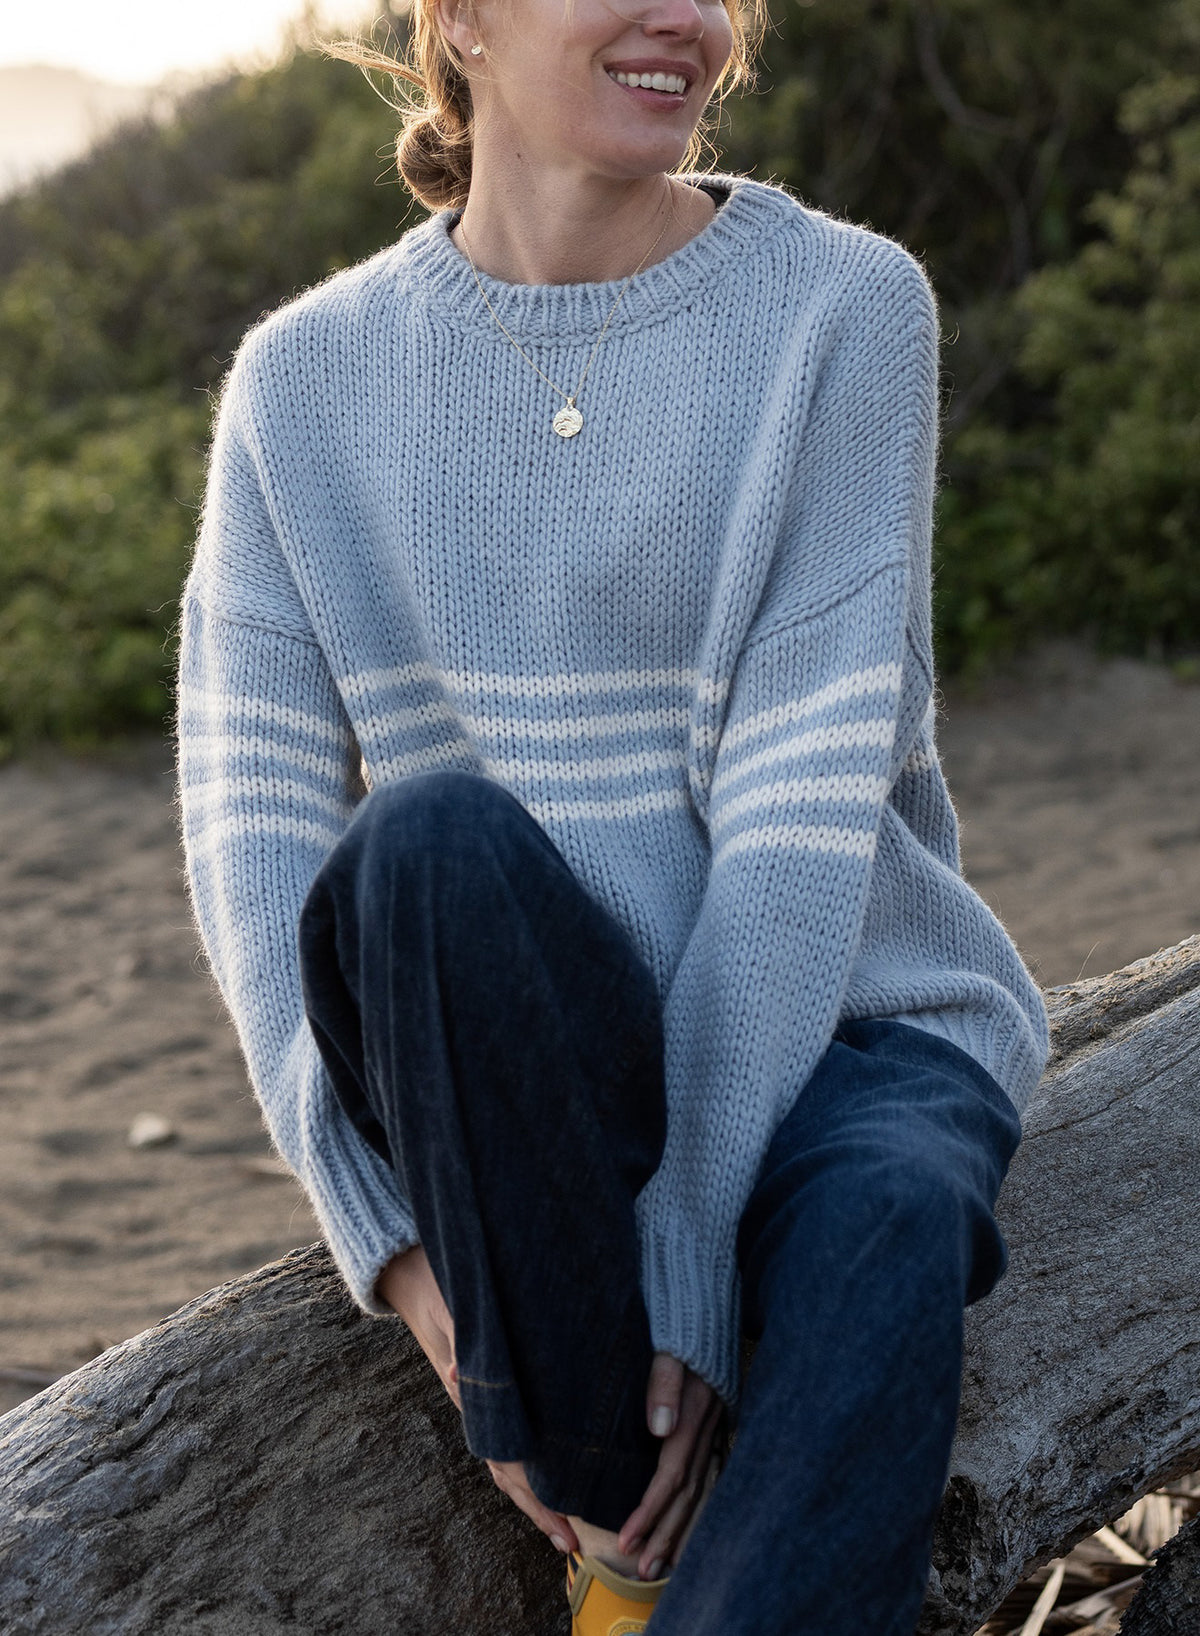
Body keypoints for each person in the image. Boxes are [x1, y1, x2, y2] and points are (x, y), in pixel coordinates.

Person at [175, 0, 1051, 1624]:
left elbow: (798, 828)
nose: (693, 21)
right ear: (465, 21)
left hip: (849, 1032)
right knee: (422, 844)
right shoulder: (302, 385)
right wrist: (394, 1241)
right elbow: (254, 840)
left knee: (891, 1217)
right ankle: (610, 1503)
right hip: (535, 1061)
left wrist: (692, 1238)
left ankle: (632, 1583)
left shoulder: (842, 311)